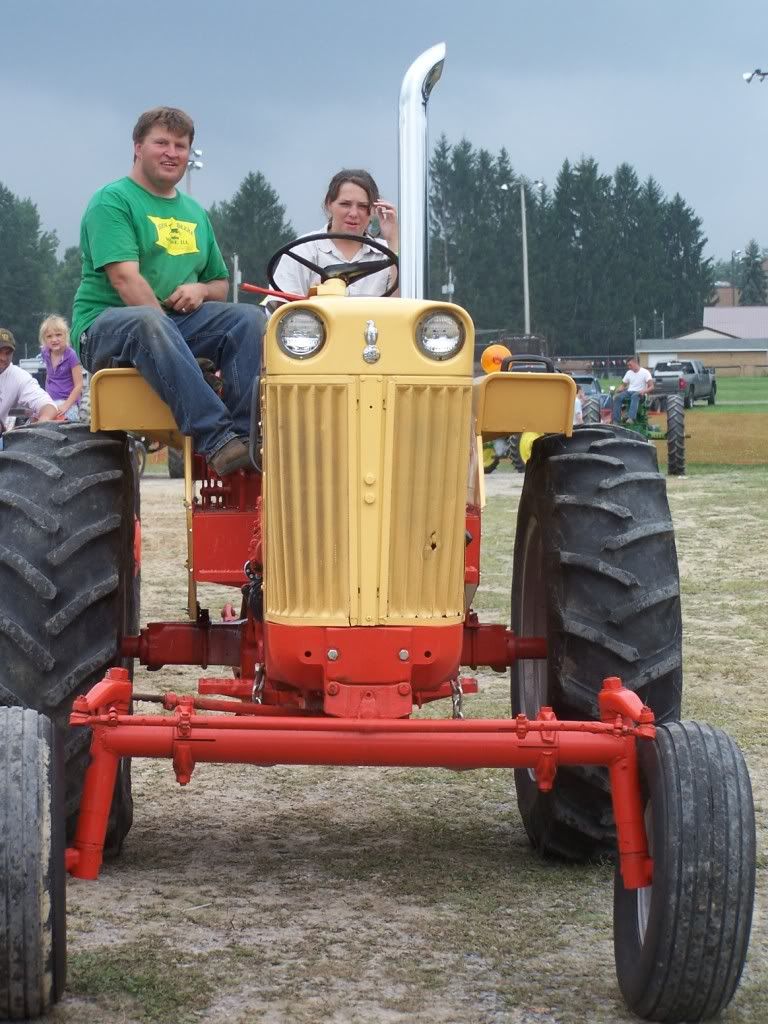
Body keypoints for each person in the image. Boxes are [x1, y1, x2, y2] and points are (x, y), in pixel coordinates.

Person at [71, 106, 264, 476]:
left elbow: (220, 284)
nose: (172, 153)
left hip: (173, 327)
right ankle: (218, 439)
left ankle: (246, 441)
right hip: (107, 330)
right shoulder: (112, 201)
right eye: (161, 143)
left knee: (248, 319)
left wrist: (199, 290)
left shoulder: (195, 213)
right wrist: (184, 352)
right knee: (148, 321)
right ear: (137, 147)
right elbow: (125, 280)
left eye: (180, 146)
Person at [271, 169, 398, 301]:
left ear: (373, 210)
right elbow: (281, 308)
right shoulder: (302, 251)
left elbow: (402, 305)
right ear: (328, 204)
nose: (353, 213)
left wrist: (392, 240)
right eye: (345, 204)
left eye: (362, 206)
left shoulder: (387, 253)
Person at [0, 328, 57, 436]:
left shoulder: (19, 376)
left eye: (7, 353)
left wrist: (39, 429)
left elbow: (48, 406)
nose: (3, 358)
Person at [39, 315, 83, 422]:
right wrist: (46, 398)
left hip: (68, 402)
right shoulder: (45, 353)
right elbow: (49, 376)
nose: (54, 339)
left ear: (65, 336)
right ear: (44, 339)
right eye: (49, 336)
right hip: (51, 400)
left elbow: (79, 385)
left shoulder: (71, 356)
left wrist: (65, 406)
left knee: (60, 421)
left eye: (58, 335)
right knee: (36, 419)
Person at [612, 357, 654, 424]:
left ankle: (631, 418)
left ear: (635, 363)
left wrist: (644, 391)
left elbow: (652, 387)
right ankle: (616, 421)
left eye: (630, 365)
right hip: (629, 392)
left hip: (640, 393)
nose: (629, 367)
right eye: (628, 365)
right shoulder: (628, 373)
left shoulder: (645, 372)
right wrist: (616, 391)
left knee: (635, 395)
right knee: (617, 397)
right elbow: (623, 385)